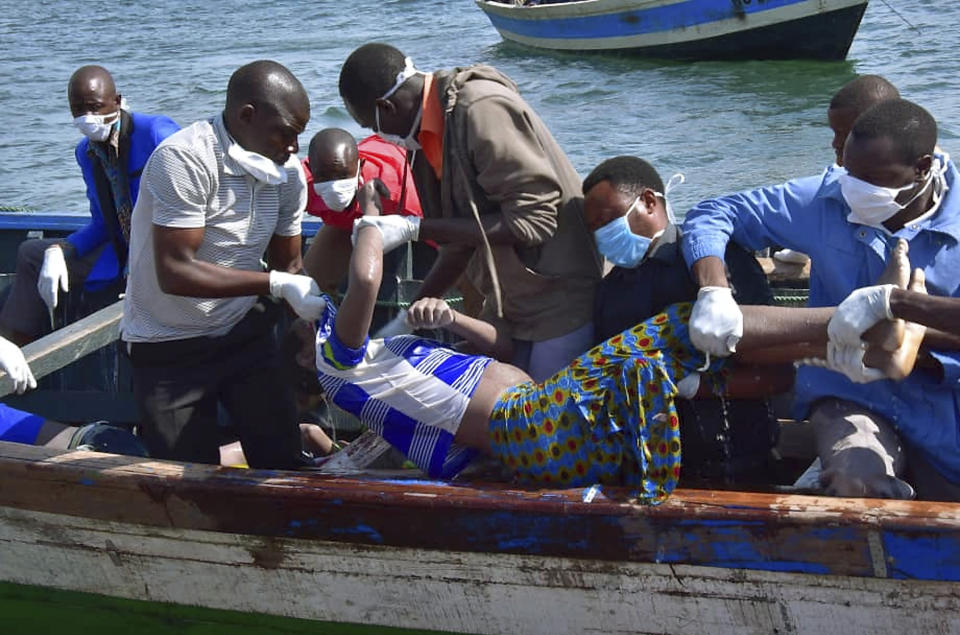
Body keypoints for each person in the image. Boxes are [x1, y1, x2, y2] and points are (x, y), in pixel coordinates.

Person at [288, 177, 923, 504]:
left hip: (545, 423)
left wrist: (449, 322)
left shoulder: (380, 362)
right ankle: (865, 317)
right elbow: (368, 275)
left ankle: (859, 348)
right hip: (533, 426)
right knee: (676, 328)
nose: (334, 301)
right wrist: (376, 218)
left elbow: (500, 351)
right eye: (325, 306)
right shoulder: (337, 362)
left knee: (679, 349)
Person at [681, 98, 960, 500]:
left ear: (922, 167)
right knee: (856, 485)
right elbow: (714, 212)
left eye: (871, 179)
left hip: (944, 398)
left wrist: (909, 331)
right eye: (849, 173)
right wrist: (713, 289)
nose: (853, 190)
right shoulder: (827, 197)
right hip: (854, 396)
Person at [337, 43, 602, 381]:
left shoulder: (481, 109)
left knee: (544, 418)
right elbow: (458, 245)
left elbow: (534, 221)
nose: (377, 135)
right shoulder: (422, 142)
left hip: (560, 298)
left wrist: (415, 228)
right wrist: (402, 325)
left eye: (370, 125)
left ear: (386, 106)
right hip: (512, 304)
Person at [120, 60, 325, 469]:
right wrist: (276, 285)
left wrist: (308, 332)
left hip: (242, 331)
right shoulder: (184, 159)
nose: (293, 148)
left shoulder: (288, 177)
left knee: (282, 462)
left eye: (299, 136)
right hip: (166, 343)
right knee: (186, 480)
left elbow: (289, 264)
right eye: (285, 133)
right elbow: (176, 270)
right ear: (246, 116)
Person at [583, 156, 783, 485]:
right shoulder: (609, 291)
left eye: (608, 220)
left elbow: (778, 378)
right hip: (643, 469)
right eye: (595, 230)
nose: (604, 235)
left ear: (648, 201)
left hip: (737, 464)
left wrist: (687, 388)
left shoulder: (715, 265)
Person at [0, 66, 179, 346]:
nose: (88, 117)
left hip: (167, 249)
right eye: (78, 109)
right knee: (32, 253)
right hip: (121, 252)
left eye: (95, 107)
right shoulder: (86, 153)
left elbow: (190, 200)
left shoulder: (155, 133)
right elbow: (101, 224)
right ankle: (12, 353)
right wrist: (61, 250)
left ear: (117, 101)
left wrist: (142, 260)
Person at [774, 74, 900, 265]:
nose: (834, 142)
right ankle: (804, 239)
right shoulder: (829, 187)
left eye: (843, 134)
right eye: (835, 133)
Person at [301, 128, 424, 294]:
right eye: (323, 177)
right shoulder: (299, 185)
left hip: (402, 183)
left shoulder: (398, 193)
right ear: (311, 169)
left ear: (361, 165)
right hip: (346, 217)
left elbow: (445, 237)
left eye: (343, 176)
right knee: (307, 287)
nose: (334, 186)